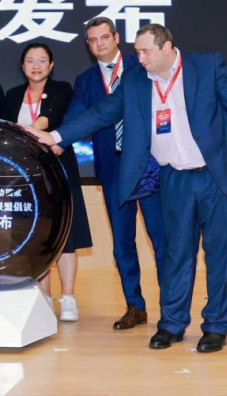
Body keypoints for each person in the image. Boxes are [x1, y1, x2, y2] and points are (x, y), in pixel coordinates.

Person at [25, 24, 227, 353]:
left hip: (216, 175)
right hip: (174, 177)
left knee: (220, 253)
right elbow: (103, 111)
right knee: (176, 253)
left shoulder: (207, 66)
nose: (140, 58)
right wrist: (56, 136)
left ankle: (215, 326)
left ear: (167, 47)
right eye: (137, 51)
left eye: (146, 51)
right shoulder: (137, 79)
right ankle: (172, 324)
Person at [64, 17, 167, 331]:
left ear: (116, 37)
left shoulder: (142, 64)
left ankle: (171, 308)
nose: (99, 44)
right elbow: (76, 116)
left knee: (160, 238)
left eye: (104, 37)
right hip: (113, 168)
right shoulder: (85, 80)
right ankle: (135, 306)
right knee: (122, 244)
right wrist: (55, 137)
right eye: (92, 40)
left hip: (149, 165)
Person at [1, 42, 92, 322]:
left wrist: (27, 130)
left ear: (51, 65)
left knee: (66, 238)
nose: (36, 66)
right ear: (22, 66)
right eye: (31, 60)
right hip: (25, 178)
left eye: (42, 60)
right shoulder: (12, 95)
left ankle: (68, 298)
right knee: (37, 237)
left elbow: (48, 117)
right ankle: (43, 298)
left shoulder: (62, 88)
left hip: (59, 173)